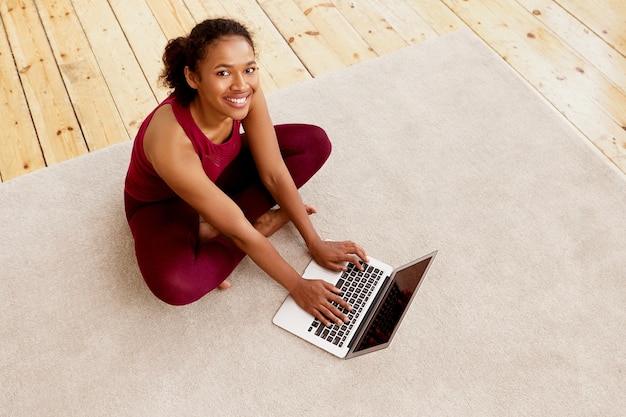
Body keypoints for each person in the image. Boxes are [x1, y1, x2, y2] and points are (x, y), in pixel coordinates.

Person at [124, 18, 368, 326]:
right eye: (223, 72)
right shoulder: (170, 140)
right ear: (193, 77)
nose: (241, 84)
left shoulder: (244, 94)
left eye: (248, 69)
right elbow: (239, 229)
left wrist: (314, 241)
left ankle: (214, 230)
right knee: (177, 286)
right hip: (162, 204)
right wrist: (298, 285)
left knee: (311, 144)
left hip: (215, 173)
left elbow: (274, 172)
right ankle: (253, 226)